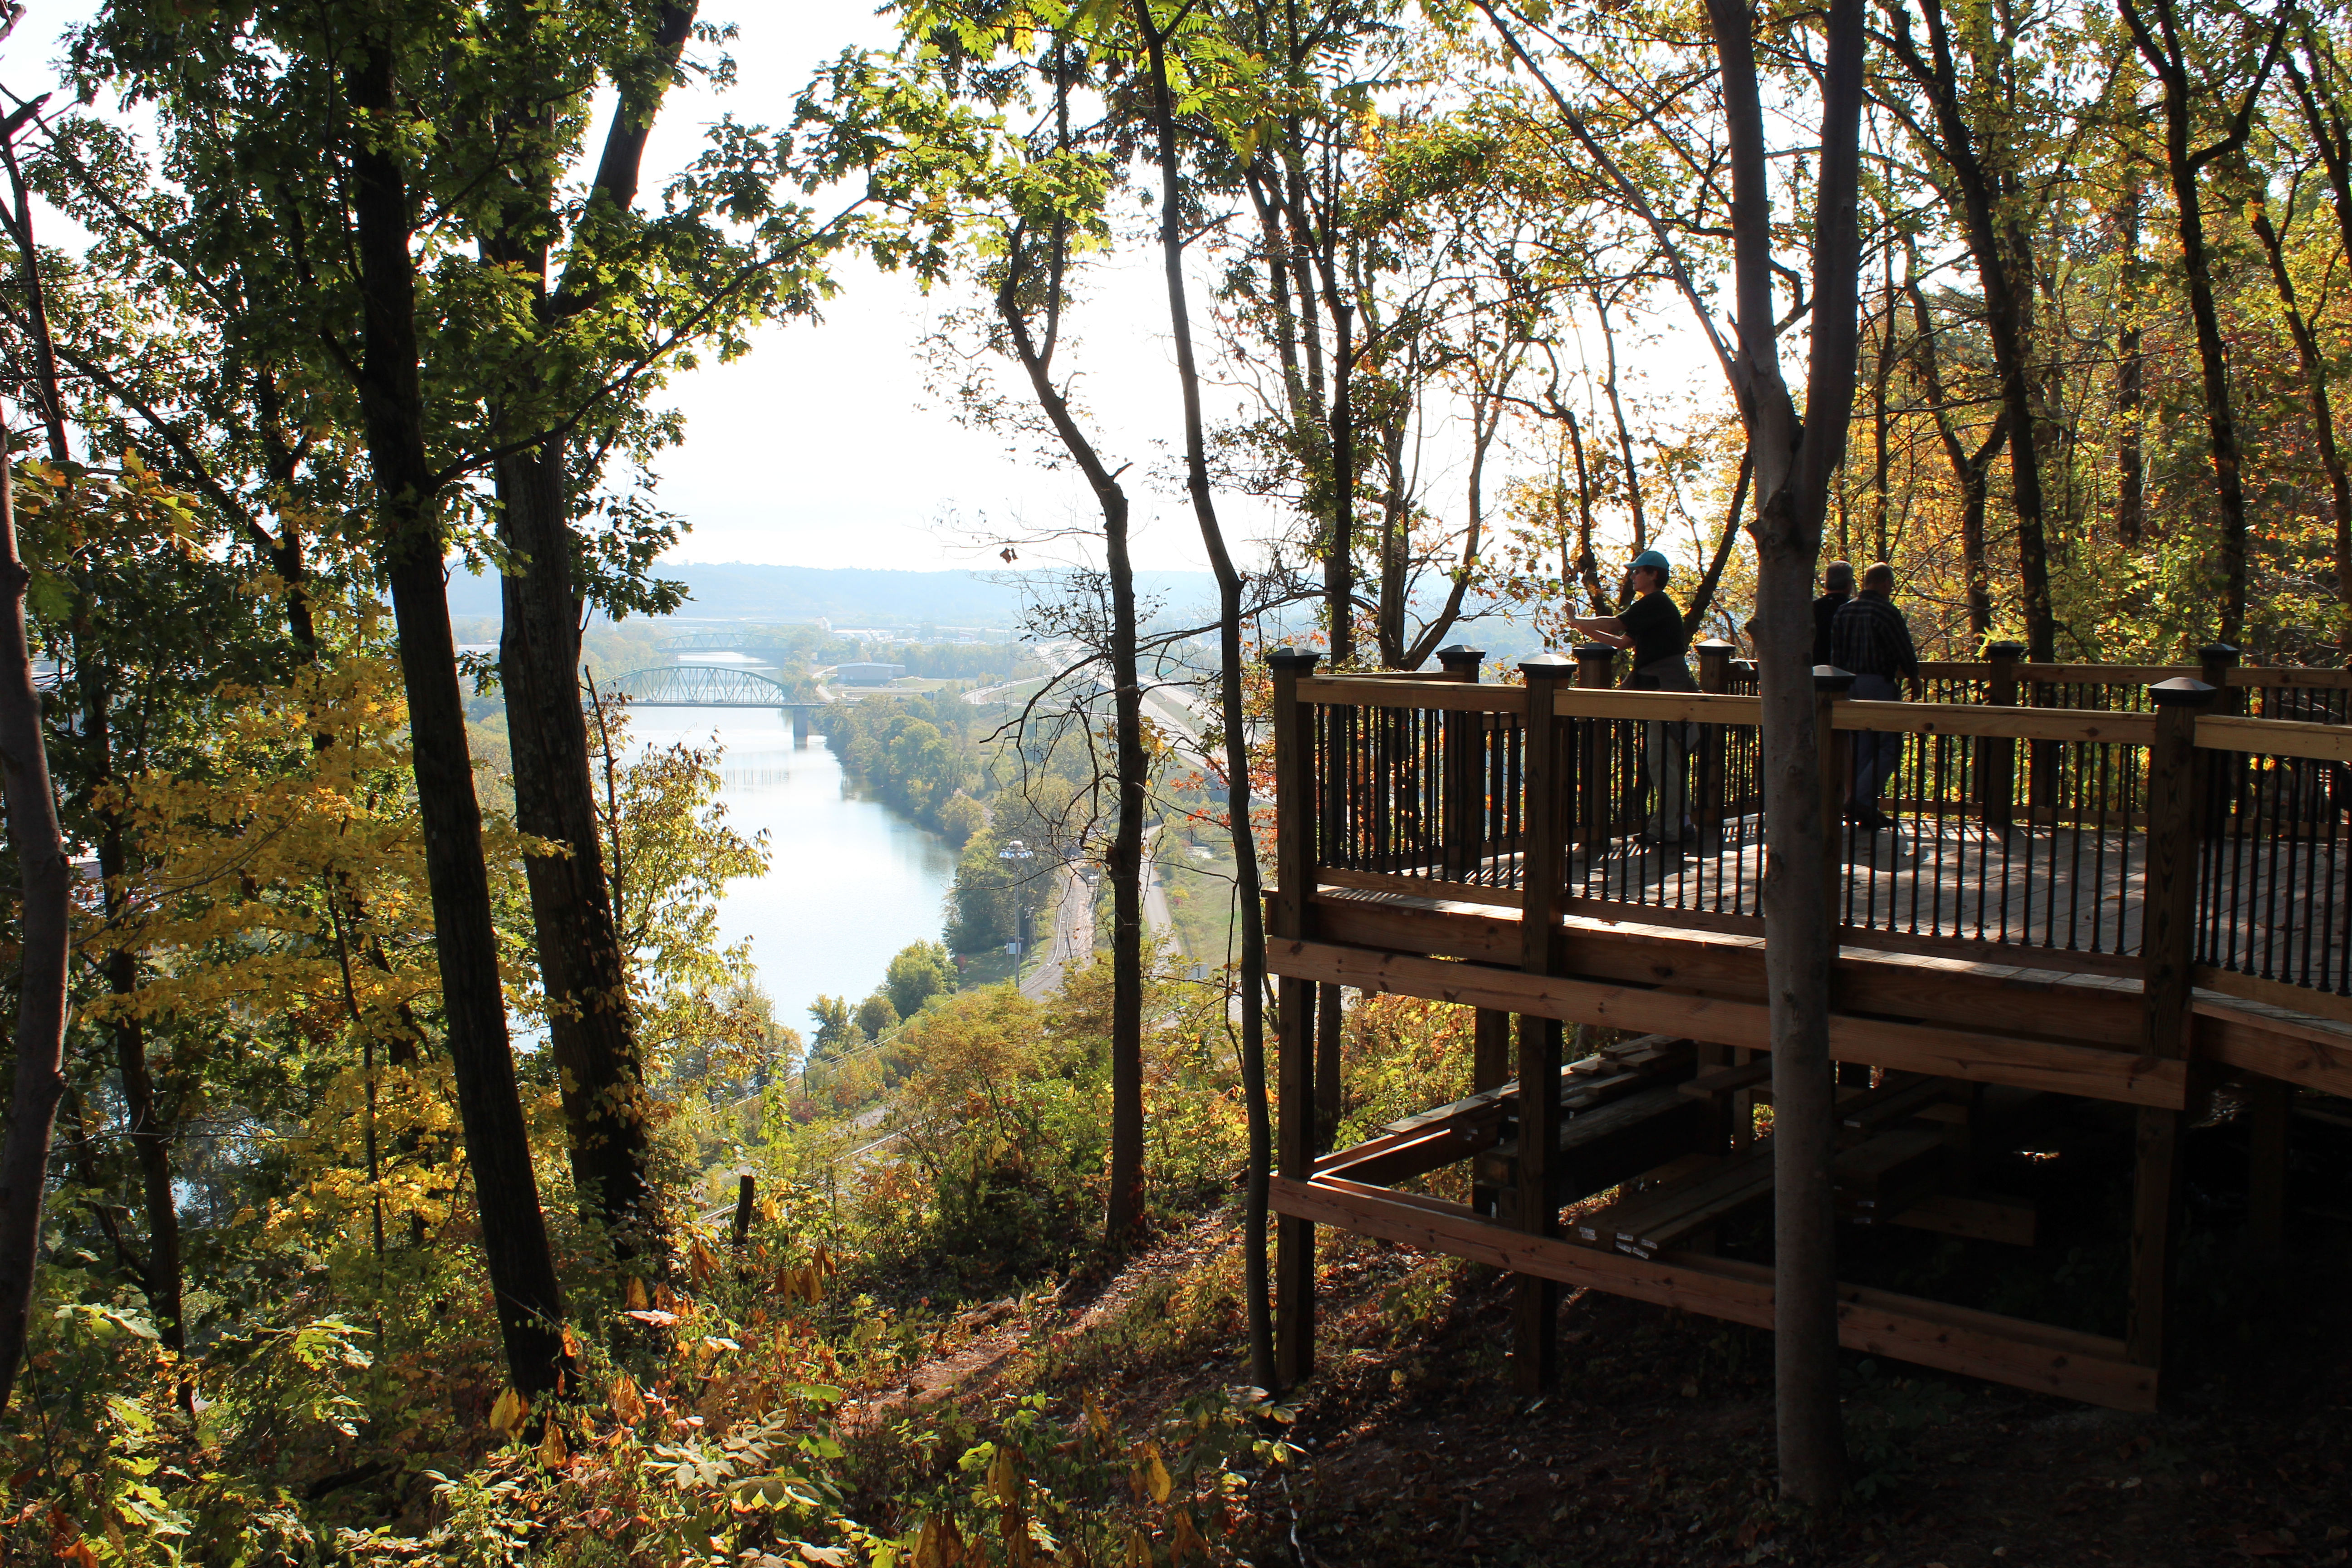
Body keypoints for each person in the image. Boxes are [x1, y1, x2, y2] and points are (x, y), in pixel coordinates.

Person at [1564, 549, 1695, 846]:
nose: (1633, 575)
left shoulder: (1655, 602)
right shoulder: (1652, 607)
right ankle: (1681, 824)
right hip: (1667, 689)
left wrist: (1578, 619)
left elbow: (1614, 625)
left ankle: (1670, 829)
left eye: (1638, 571)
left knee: (1662, 761)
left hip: (1665, 691)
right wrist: (1578, 625)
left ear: (1653, 575)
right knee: (1669, 761)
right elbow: (1622, 642)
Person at [1830, 561, 1921, 831]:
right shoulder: (1885, 611)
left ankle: (1860, 802)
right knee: (1890, 746)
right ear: (1883, 583)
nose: (1890, 590)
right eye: (1890, 585)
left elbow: (1836, 653)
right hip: (1878, 684)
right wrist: (1914, 677)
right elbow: (1902, 647)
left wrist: (1839, 687)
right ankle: (1860, 799)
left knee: (1862, 747)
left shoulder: (1844, 612)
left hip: (1848, 684)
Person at [1813, 560, 1854, 666]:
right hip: (1846, 675)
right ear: (1849, 584)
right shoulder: (1854, 610)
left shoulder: (1811, 609)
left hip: (1815, 673)